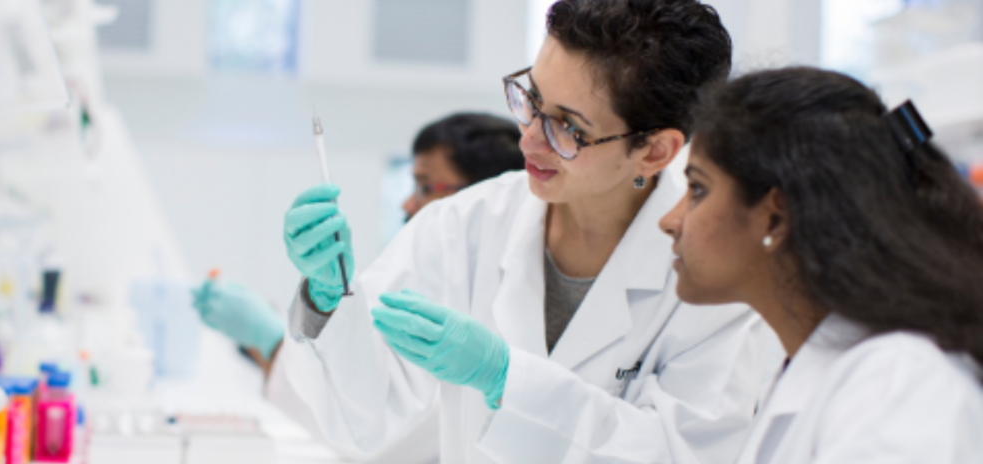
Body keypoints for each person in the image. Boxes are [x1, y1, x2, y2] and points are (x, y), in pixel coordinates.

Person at [277, 1, 779, 463]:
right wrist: (328, 302)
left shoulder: (720, 281)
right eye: (531, 99)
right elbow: (363, 420)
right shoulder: (464, 225)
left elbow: (685, 453)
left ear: (655, 150)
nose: (529, 137)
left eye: (569, 128)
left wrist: (506, 380)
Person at [658, 67, 983, 464]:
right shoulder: (825, 369)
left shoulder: (895, 385)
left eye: (698, 189)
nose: (669, 221)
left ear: (775, 219)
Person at [192, 113, 522, 464]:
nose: (406, 204)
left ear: (480, 199)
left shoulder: (482, 317)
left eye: (425, 186)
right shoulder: (423, 276)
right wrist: (319, 308)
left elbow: (369, 430)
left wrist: (271, 340)